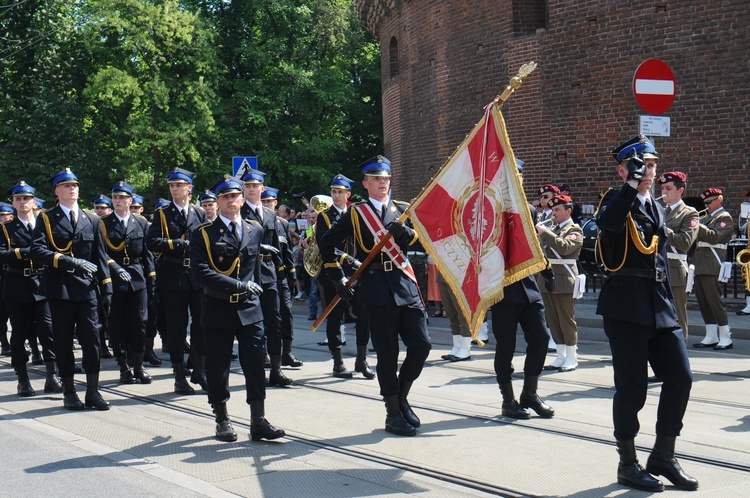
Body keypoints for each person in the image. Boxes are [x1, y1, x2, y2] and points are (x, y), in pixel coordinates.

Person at [596, 136, 697, 492]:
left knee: (681, 377)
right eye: (642, 166)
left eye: (652, 166)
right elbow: (608, 225)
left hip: (658, 303)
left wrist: (670, 304)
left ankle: (663, 455)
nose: (649, 173)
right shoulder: (615, 199)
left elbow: (660, 259)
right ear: (623, 169)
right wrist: (629, 185)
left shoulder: (655, 205)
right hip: (626, 306)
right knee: (632, 390)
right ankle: (627, 463)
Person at [319, 156, 431, 437]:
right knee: (387, 354)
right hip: (376, 289)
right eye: (376, 179)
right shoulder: (356, 214)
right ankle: (392, 412)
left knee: (422, 345)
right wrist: (337, 277)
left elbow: (425, 240)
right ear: (366, 183)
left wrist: (407, 234)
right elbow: (327, 243)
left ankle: (402, 396)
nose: (382, 183)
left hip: (405, 284)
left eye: (386, 179)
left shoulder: (403, 210)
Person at [191, 176, 285, 442]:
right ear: (218, 202)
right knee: (218, 367)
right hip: (219, 308)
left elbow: (254, 269)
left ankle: (258, 420)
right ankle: (222, 419)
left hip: (250, 310)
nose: (231, 201)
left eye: (235, 197)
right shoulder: (203, 234)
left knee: (255, 365)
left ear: (242, 200)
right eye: (226, 197)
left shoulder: (254, 229)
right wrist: (237, 286)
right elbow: (200, 272)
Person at [31, 168, 113, 411]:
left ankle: (92, 391)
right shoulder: (46, 218)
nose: (72, 189)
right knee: (64, 341)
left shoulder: (92, 219)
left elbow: (100, 256)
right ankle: (69, 391)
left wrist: (107, 287)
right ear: (57, 191)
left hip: (87, 290)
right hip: (60, 288)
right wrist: (69, 261)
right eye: (66, 186)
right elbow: (38, 251)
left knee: (92, 340)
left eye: (75, 185)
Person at [490, 159, 555, 421]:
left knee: (540, 338)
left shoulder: (529, 209)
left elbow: (534, 245)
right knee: (505, 347)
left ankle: (530, 393)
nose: (517, 178)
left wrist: (546, 269)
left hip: (528, 286)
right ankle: (508, 400)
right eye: (511, 175)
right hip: (503, 287)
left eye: (520, 174)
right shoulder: (491, 210)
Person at [146, 167, 207, 395]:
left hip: (197, 277)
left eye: (179, 185)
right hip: (172, 276)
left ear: (189, 188)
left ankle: (199, 369)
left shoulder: (199, 213)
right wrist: (178, 244)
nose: (175, 189)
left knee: (201, 324)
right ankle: (179, 376)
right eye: (172, 186)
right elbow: (152, 241)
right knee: (176, 329)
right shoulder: (162, 214)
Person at [0, 181, 62, 396]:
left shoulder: (45, 225)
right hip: (17, 285)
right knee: (19, 333)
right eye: (18, 199)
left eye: (26, 199)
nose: (23, 202)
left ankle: (52, 375)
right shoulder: (6, 229)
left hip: (42, 283)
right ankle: (23, 379)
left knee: (48, 331)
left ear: (33, 202)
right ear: (13, 203)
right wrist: (25, 252)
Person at [316, 174, 375, 379]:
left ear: (348, 194)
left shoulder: (357, 214)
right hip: (335, 274)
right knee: (335, 318)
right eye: (334, 191)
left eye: (340, 192)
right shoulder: (324, 217)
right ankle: (338, 362)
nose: (336, 195)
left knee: (364, 316)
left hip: (358, 274)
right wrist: (339, 274)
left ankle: (361, 359)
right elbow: (326, 245)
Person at [240, 168, 291, 386]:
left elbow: (279, 248)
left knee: (274, 320)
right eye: (248, 186)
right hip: (249, 272)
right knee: (252, 323)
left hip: (269, 273)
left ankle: (276, 369)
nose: (252, 190)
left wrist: (283, 275)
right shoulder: (239, 212)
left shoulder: (271, 215)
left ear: (263, 188)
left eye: (255, 186)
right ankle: (257, 367)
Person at [101, 181, 156, 385]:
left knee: (140, 322)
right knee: (116, 324)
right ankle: (123, 366)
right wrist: (114, 269)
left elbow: (146, 253)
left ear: (130, 200)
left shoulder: (140, 223)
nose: (118, 201)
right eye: (115, 198)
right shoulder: (103, 224)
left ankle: (139, 366)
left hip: (137, 278)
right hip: (115, 279)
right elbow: (101, 253)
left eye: (122, 198)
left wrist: (151, 278)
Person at [537, 194, 583, 372]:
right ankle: (561, 355)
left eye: (557, 210)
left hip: (565, 280)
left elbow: (564, 248)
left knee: (566, 320)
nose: (553, 213)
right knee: (552, 319)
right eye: (553, 209)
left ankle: (572, 356)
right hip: (549, 279)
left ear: (568, 211)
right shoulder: (552, 228)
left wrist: (545, 233)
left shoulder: (575, 230)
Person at [261, 187, 303, 368]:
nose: (267, 205)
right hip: (265, 274)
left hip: (281, 275)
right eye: (264, 202)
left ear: (275, 203)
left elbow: (287, 252)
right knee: (266, 315)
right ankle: (264, 352)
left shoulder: (283, 224)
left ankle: (287, 352)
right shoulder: (257, 222)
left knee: (286, 313)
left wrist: (292, 274)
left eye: (269, 202)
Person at [658, 172, 699, 343]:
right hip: (659, 268)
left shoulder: (689, 213)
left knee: (678, 315)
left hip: (675, 270)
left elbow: (685, 242)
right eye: (662, 188)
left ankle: (681, 352)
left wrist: (664, 230)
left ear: (680, 190)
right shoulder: (659, 211)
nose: (664, 192)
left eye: (668, 188)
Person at [692, 187, 734, 350]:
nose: (706, 205)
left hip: (712, 262)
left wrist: (696, 223)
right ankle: (711, 335)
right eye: (705, 202)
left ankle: (725, 336)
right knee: (703, 301)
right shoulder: (707, 218)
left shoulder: (725, 218)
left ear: (719, 200)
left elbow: (714, 237)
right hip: (701, 262)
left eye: (709, 202)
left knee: (714, 300)